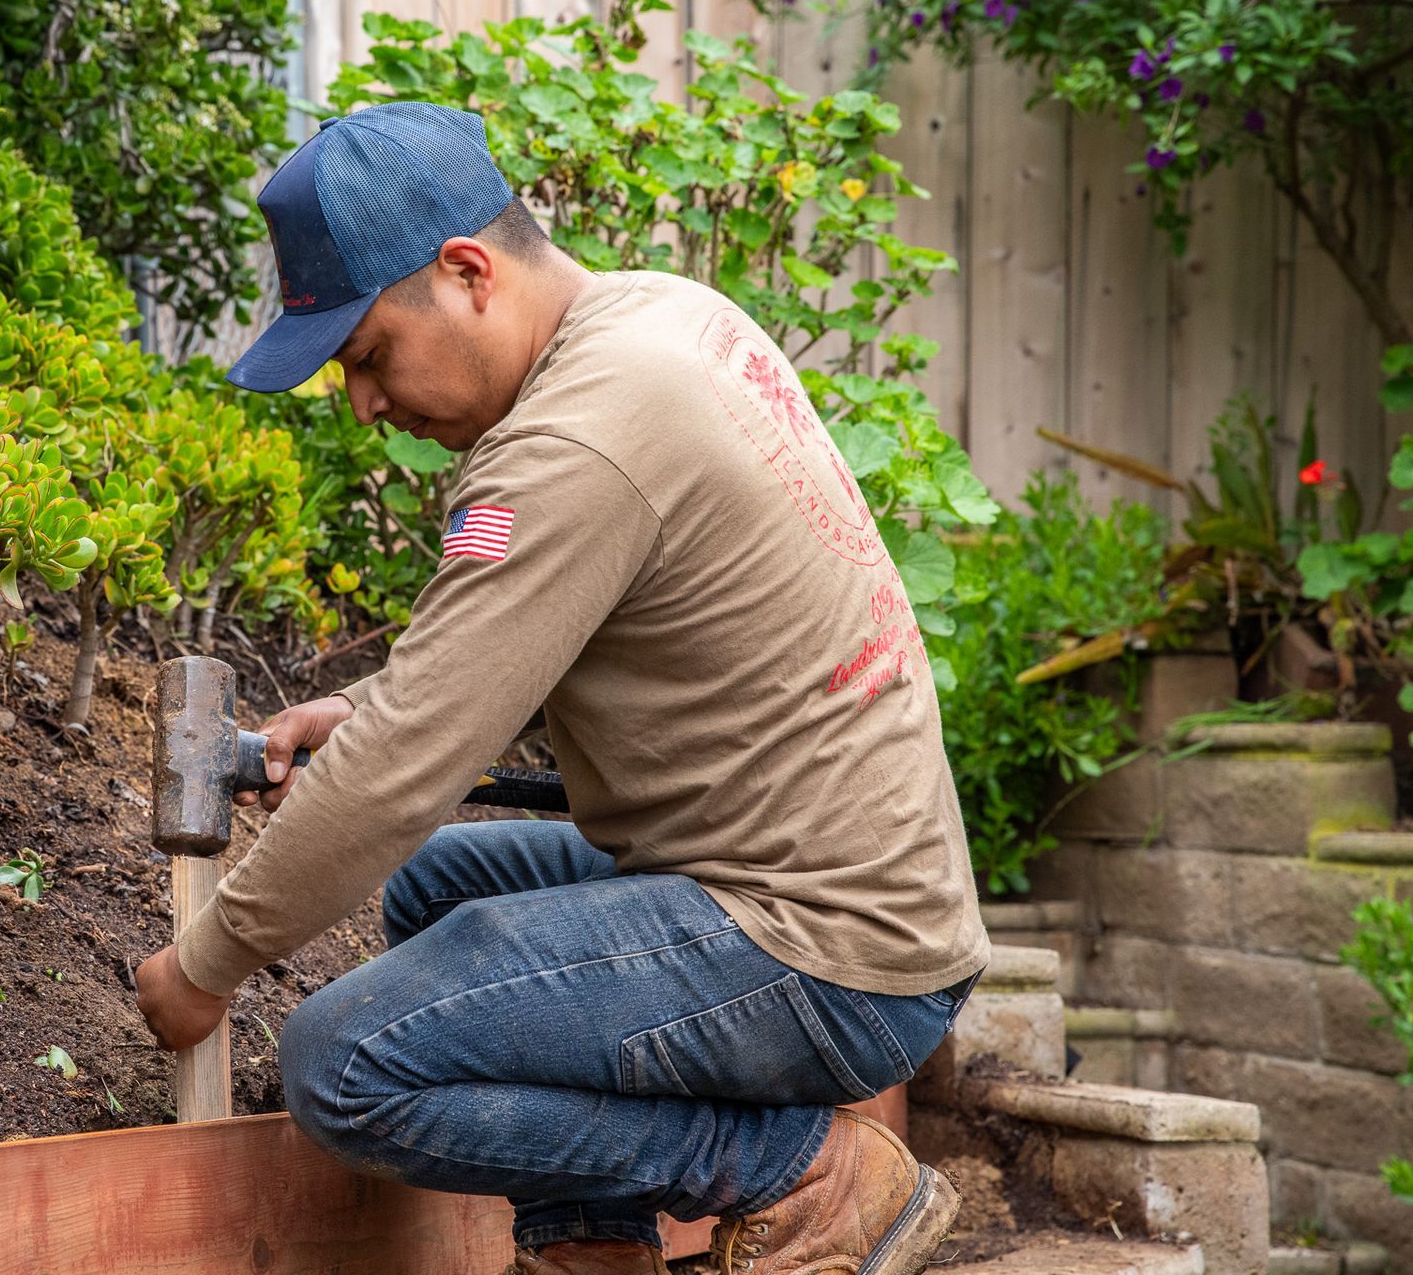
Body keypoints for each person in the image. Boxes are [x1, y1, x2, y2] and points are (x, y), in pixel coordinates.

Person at [133, 100, 988, 1275]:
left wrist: (205, 963)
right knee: (442, 887)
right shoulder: (662, 318)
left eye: (369, 355)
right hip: (859, 895)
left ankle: (804, 1173)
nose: (367, 404)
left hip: (824, 953)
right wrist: (373, 710)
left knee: (345, 1060)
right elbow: (590, 638)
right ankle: (593, 1242)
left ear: (468, 271)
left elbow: (403, 770)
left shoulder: (575, 440)